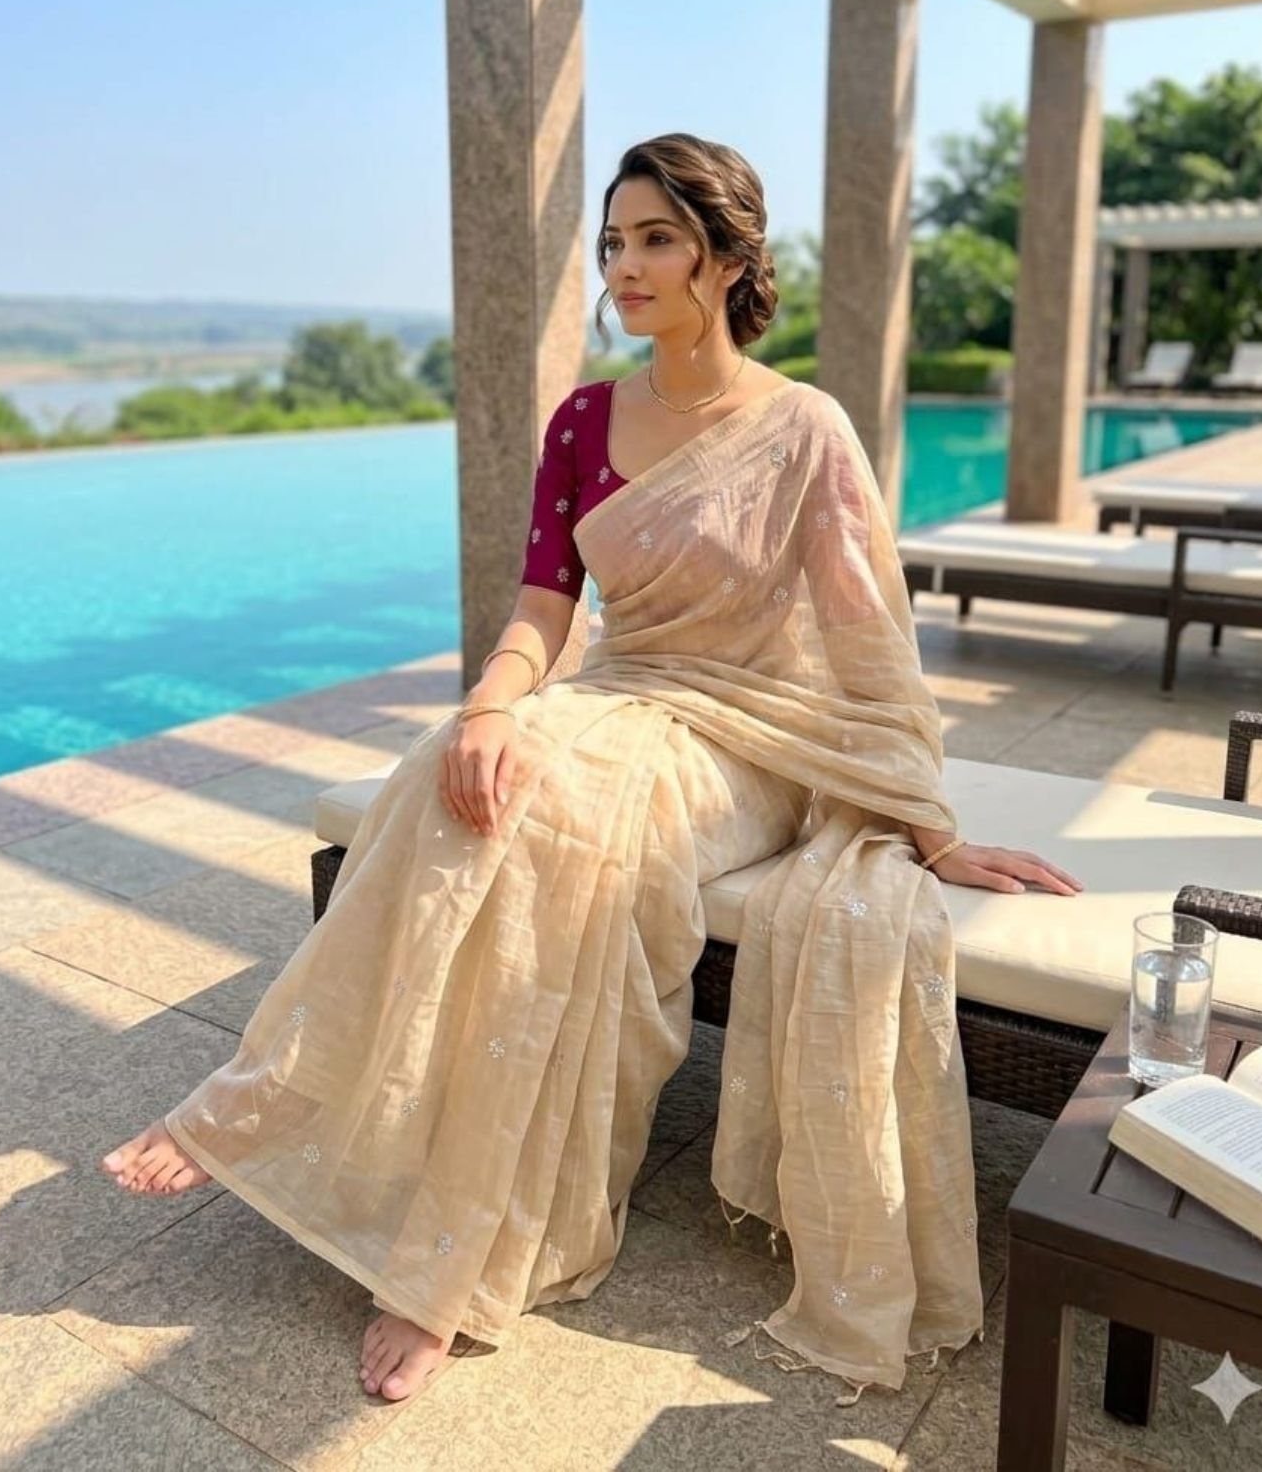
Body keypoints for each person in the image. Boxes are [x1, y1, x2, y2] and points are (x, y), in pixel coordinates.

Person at [102, 132, 1082, 1408]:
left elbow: (867, 643)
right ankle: (284, 1097)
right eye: (615, 241)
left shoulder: (804, 429)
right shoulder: (581, 420)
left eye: (656, 239)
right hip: (619, 695)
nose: (624, 265)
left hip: (751, 737)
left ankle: (453, 1253)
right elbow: (543, 609)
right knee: (454, 774)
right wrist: (489, 708)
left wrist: (926, 825)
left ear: (727, 259)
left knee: (562, 818)